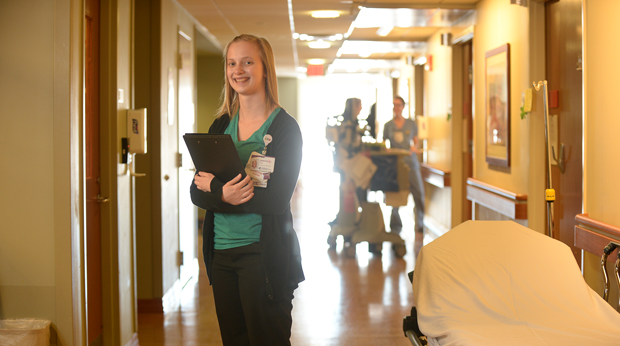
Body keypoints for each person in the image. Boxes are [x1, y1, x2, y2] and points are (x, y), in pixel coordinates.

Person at [190, 34, 303, 346]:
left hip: (262, 256)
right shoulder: (220, 126)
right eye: (231, 63)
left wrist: (218, 194)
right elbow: (196, 192)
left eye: (247, 62)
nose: (238, 70)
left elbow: (276, 201)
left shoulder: (284, 129)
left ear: (265, 68)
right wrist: (220, 192)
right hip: (222, 256)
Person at [382, 96, 425, 257]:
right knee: (395, 195)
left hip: (410, 162)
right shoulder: (388, 126)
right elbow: (384, 143)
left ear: (403, 106)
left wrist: (414, 148)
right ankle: (395, 226)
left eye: (398, 105)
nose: (396, 108)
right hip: (395, 164)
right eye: (394, 105)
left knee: (418, 193)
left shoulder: (411, 124)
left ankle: (420, 223)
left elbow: (416, 142)